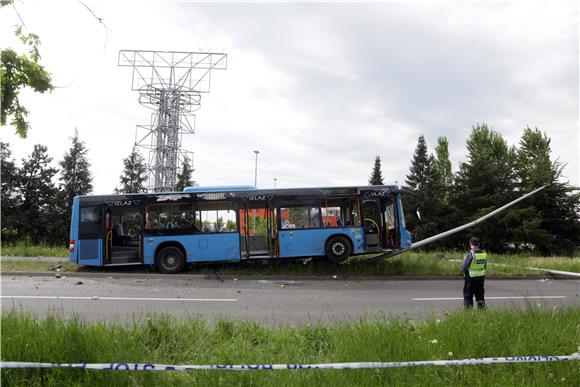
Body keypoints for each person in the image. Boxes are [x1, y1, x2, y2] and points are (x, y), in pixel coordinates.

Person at [460, 237, 487, 309]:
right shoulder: (484, 253)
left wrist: (462, 269)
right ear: (479, 244)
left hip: (471, 277)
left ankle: (469, 314)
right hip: (481, 277)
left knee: (468, 296)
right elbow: (484, 265)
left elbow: (464, 267)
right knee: (480, 296)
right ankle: (482, 313)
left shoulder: (470, 254)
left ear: (470, 244)